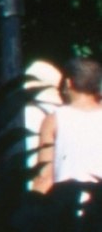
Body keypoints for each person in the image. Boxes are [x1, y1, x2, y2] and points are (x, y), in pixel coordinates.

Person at [36, 54, 102, 205]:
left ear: (68, 83)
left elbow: (44, 176)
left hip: (67, 209)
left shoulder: (54, 120)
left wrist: (33, 207)